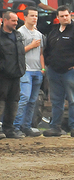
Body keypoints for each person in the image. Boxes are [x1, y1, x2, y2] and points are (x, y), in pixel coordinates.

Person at [43, 6, 74, 138]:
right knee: (56, 101)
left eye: (67, 15)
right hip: (54, 72)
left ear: (70, 16)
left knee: (73, 100)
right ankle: (55, 127)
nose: (65, 18)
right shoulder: (53, 33)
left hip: (72, 72)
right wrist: (49, 64)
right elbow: (47, 50)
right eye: (62, 16)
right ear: (57, 18)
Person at [14, 7, 45, 137]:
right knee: (24, 97)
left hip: (37, 71)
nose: (34, 18)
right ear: (25, 17)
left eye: (36, 16)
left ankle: (26, 126)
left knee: (33, 100)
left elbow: (41, 53)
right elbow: (18, 52)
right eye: (32, 15)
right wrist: (31, 46)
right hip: (25, 70)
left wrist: (42, 69)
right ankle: (15, 126)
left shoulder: (39, 34)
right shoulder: (20, 33)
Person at [0, 11, 27, 139]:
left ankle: (9, 129)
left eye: (16, 21)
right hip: (2, 76)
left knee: (13, 102)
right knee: (1, 102)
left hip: (16, 75)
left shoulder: (18, 35)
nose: (16, 23)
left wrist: (21, 69)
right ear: (5, 20)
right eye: (13, 21)